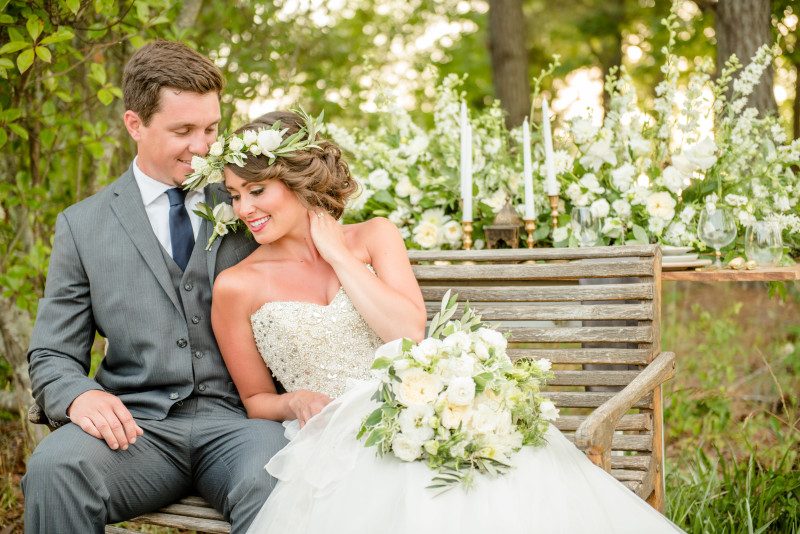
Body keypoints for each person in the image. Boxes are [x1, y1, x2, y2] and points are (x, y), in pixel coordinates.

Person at [210, 110, 685, 534]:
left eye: (256, 191)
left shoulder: (373, 236)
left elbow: (406, 333)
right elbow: (255, 400)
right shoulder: (236, 286)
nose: (244, 209)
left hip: (426, 407)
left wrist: (336, 253)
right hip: (332, 438)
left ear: (299, 181)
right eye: (234, 195)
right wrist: (293, 400)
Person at [22, 41, 287, 534]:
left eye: (211, 128)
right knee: (54, 469)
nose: (203, 146)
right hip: (134, 431)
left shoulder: (249, 202)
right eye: (182, 130)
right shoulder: (82, 226)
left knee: (275, 477)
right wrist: (80, 396)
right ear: (134, 125)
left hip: (243, 425)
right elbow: (53, 354)